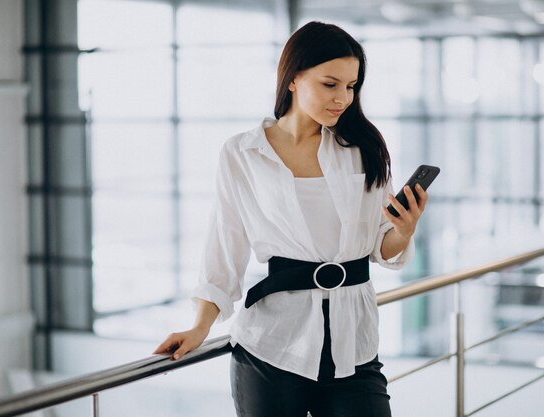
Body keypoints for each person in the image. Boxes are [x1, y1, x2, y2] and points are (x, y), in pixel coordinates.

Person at [153, 20, 428, 417]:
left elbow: (382, 246)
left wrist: (403, 230)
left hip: (355, 348)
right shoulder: (242, 154)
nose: (344, 98)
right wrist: (200, 327)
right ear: (294, 78)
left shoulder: (362, 149)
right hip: (270, 349)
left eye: (351, 86)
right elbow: (224, 248)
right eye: (330, 84)